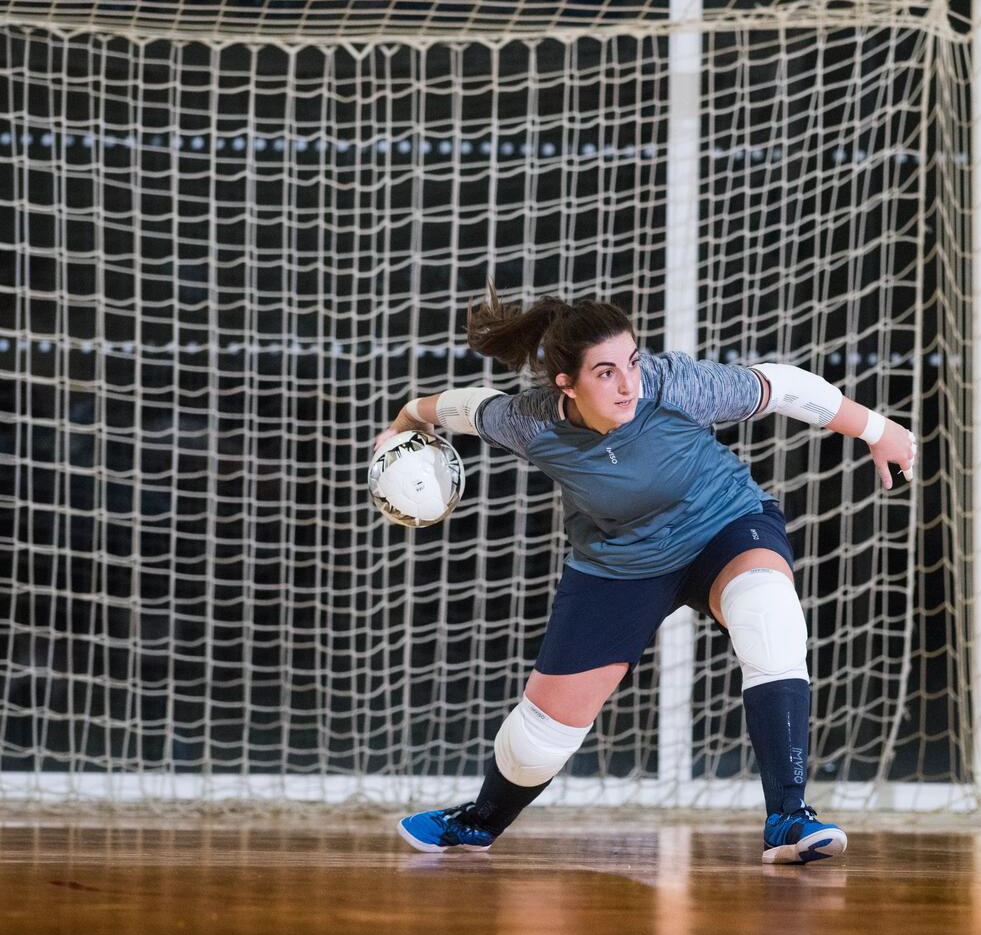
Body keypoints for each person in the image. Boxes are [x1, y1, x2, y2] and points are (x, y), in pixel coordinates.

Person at [375, 288, 917, 864]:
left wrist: (876, 429)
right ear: (566, 384)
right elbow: (463, 406)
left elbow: (780, 386)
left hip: (722, 525)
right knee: (540, 738)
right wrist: (407, 418)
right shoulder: (529, 422)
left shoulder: (672, 385)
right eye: (606, 373)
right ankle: (478, 822)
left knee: (768, 611)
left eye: (631, 362)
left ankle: (789, 816)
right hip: (619, 562)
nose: (628, 384)